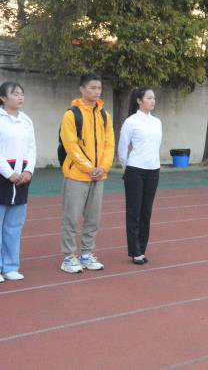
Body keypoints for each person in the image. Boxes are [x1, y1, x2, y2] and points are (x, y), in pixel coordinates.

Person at [59, 73, 114, 274]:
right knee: (71, 218)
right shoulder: (71, 115)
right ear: (82, 89)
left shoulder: (104, 115)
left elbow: (109, 144)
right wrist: (90, 168)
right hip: (77, 175)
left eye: (99, 88)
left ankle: (87, 253)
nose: (96, 91)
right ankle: (68, 256)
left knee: (93, 219)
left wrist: (103, 168)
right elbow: (71, 145)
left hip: (99, 176)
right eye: (92, 88)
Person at [118, 87, 162, 265]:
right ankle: (135, 252)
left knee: (146, 212)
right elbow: (122, 148)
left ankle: (142, 249)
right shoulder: (131, 122)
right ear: (139, 100)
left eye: (154, 98)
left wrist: (155, 164)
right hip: (135, 170)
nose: (152, 101)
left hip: (153, 170)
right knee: (134, 212)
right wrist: (126, 167)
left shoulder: (157, 122)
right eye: (149, 98)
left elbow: (156, 146)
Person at [0, 82, 36, 282]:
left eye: (22, 93)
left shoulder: (26, 120)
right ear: (3, 98)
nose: (20, 97)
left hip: (22, 178)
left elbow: (32, 148)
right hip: (3, 175)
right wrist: (8, 173)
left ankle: (11, 266)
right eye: (15, 94)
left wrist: (28, 170)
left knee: (14, 226)